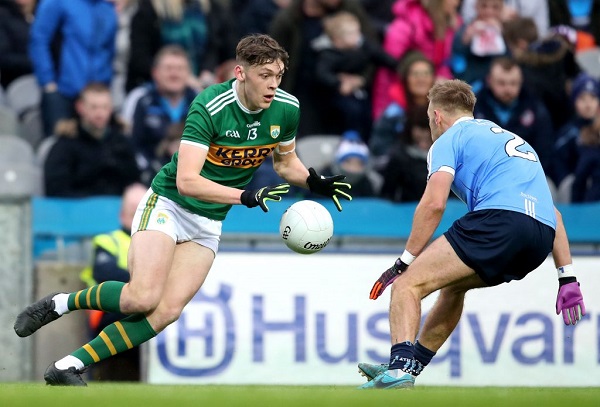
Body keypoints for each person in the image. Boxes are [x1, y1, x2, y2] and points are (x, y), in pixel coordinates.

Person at [14, 34, 352, 386]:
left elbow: (285, 163)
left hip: (208, 221)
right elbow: (187, 181)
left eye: (278, 75)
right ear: (240, 72)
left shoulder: (287, 108)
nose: (272, 84)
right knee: (140, 296)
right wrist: (245, 196)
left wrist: (315, 181)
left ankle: (68, 365)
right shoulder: (210, 105)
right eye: (264, 75)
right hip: (169, 204)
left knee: (166, 312)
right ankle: (61, 302)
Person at [356, 79, 586, 389]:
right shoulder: (510, 138)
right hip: (540, 238)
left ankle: (398, 369)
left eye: (428, 118)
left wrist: (404, 261)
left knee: (409, 284)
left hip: (499, 221)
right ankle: (410, 369)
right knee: (452, 287)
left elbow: (434, 204)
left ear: (437, 116)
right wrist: (567, 278)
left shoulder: (450, 138)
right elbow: (553, 215)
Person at [79, 182, 147, 381]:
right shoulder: (108, 240)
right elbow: (105, 272)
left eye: (141, 211)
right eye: (133, 211)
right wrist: (146, 279)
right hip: (108, 311)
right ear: (122, 215)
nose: (137, 216)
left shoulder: (157, 243)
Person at [29, 0, 118, 137]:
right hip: (62, 92)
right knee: (58, 146)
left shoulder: (107, 8)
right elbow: (39, 39)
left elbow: (109, 51)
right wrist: (47, 81)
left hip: (94, 96)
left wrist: (104, 86)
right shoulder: (57, 3)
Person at [43, 82, 141, 197]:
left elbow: (134, 183)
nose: (100, 114)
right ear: (80, 107)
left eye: (105, 107)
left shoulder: (122, 143)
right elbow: (56, 190)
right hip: (77, 210)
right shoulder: (64, 145)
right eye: (94, 107)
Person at [315, 10, 397, 141]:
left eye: (357, 32)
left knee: (366, 115)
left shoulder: (363, 47)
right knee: (350, 112)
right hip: (338, 97)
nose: (358, 36)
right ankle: (350, 139)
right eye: (352, 34)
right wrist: (338, 83)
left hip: (361, 93)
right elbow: (322, 73)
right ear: (337, 40)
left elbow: (381, 57)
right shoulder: (329, 54)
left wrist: (399, 65)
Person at [473, 56, 555, 175]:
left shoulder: (535, 108)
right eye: (501, 83)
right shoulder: (474, 107)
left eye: (513, 83)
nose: (508, 89)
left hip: (527, 176)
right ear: (489, 80)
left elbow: (545, 150)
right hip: (482, 177)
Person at [0, 0, 35, 90]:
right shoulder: (4, 15)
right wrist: (37, 62)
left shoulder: (45, 13)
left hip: (49, 79)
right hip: (16, 81)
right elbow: (4, 57)